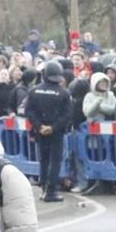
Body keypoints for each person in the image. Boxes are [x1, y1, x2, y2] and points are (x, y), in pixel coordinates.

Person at [24, 61, 74, 203]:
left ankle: (44, 187)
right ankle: (51, 191)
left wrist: (39, 126)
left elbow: (29, 111)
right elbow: (67, 115)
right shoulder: (64, 93)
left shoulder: (34, 91)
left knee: (44, 160)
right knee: (55, 161)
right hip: (56, 132)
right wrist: (52, 127)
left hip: (40, 131)